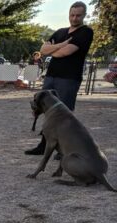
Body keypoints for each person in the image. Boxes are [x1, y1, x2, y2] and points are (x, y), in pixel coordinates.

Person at [25, 1, 93, 155]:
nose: (74, 18)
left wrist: (53, 49)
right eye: (72, 15)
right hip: (51, 76)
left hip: (69, 78)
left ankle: (63, 149)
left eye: (78, 15)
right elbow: (43, 50)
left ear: (84, 15)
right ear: (69, 14)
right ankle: (43, 146)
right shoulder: (60, 32)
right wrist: (61, 44)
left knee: (64, 114)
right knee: (46, 110)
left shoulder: (85, 32)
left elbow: (64, 53)